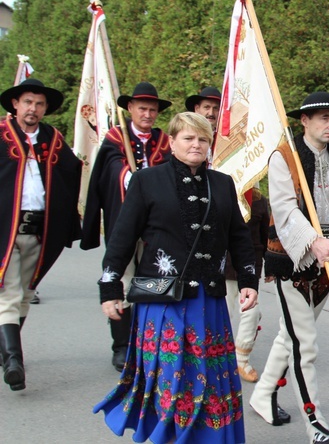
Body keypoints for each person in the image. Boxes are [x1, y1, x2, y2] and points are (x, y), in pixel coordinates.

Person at [93, 112, 258, 443]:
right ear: (171, 142)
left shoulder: (223, 183)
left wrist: (248, 281)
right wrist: (110, 287)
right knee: (171, 377)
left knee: (209, 378)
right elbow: (122, 238)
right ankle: (169, 437)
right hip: (162, 301)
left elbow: (239, 237)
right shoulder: (147, 180)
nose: (196, 145)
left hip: (208, 301)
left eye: (203, 139)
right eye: (188, 138)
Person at [250, 91, 329, 444]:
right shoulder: (283, 157)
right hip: (293, 261)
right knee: (305, 343)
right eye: (323, 118)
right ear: (304, 121)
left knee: (291, 335)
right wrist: (312, 241)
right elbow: (284, 208)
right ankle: (315, 423)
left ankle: (262, 394)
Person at [81, 81, 172, 372]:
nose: (147, 114)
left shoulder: (164, 141)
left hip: (156, 225)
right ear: (130, 108)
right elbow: (106, 173)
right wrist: (126, 175)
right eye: (142, 108)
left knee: (155, 279)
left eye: (152, 110)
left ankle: (149, 341)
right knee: (122, 280)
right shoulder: (114, 139)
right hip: (123, 221)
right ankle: (121, 346)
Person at [0, 79, 82, 391]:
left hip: (39, 230)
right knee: (7, 293)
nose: (33, 109)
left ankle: (6, 349)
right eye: (27, 102)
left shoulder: (53, 139)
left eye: (39, 104)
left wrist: (70, 222)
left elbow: (70, 175)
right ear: (15, 105)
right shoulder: (1, 134)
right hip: (5, 228)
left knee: (24, 293)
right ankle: (13, 361)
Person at [225, 185, 270, 384]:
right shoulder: (220, 192)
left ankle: (241, 359)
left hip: (250, 266)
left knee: (252, 313)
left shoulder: (260, 200)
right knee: (222, 312)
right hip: (224, 265)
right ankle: (213, 355)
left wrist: (270, 266)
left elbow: (265, 236)